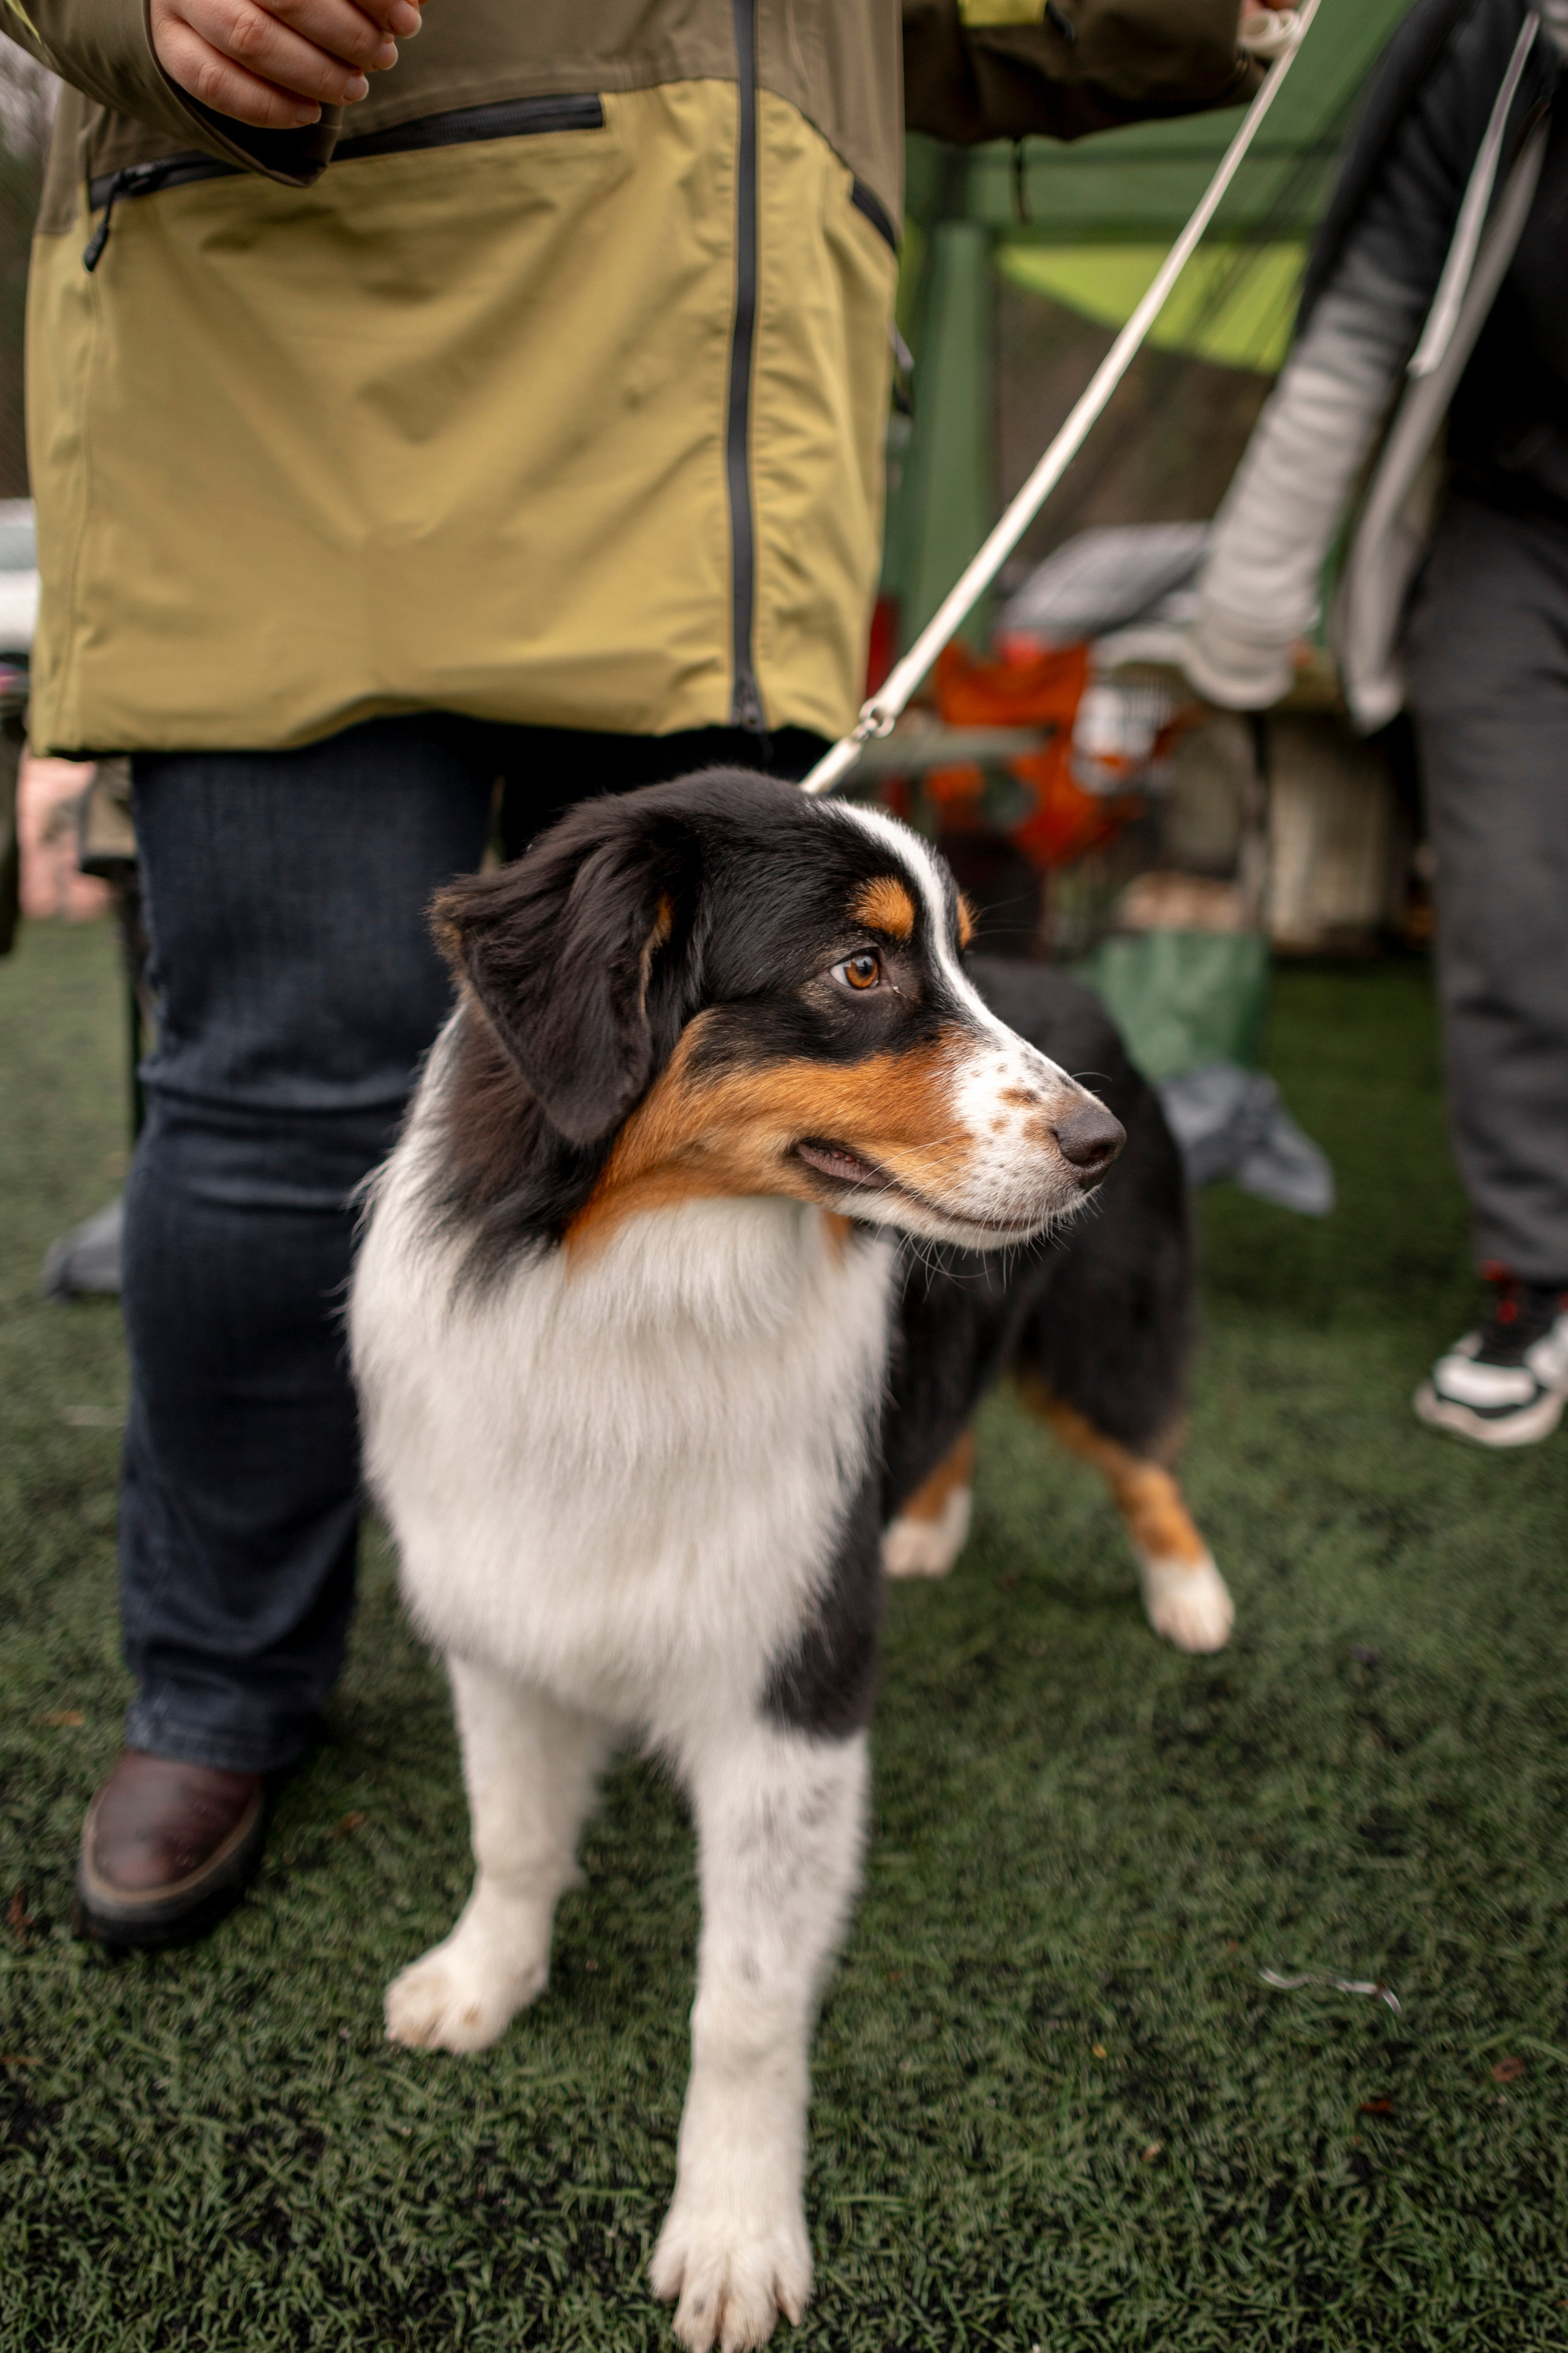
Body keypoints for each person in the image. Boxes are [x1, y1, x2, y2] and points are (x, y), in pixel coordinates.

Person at [3, 0, 1261, 1944]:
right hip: (298, 370)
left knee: (754, 1159)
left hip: (731, 408)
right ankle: (224, 1682)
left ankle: (728, 1610)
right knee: (275, 1095)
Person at [1186, 0, 1568, 1450]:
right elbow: (1361, 321)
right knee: (1510, 905)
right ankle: (1533, 1279)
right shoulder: (1496, 39)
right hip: (1509, 531)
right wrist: (1244, 609)